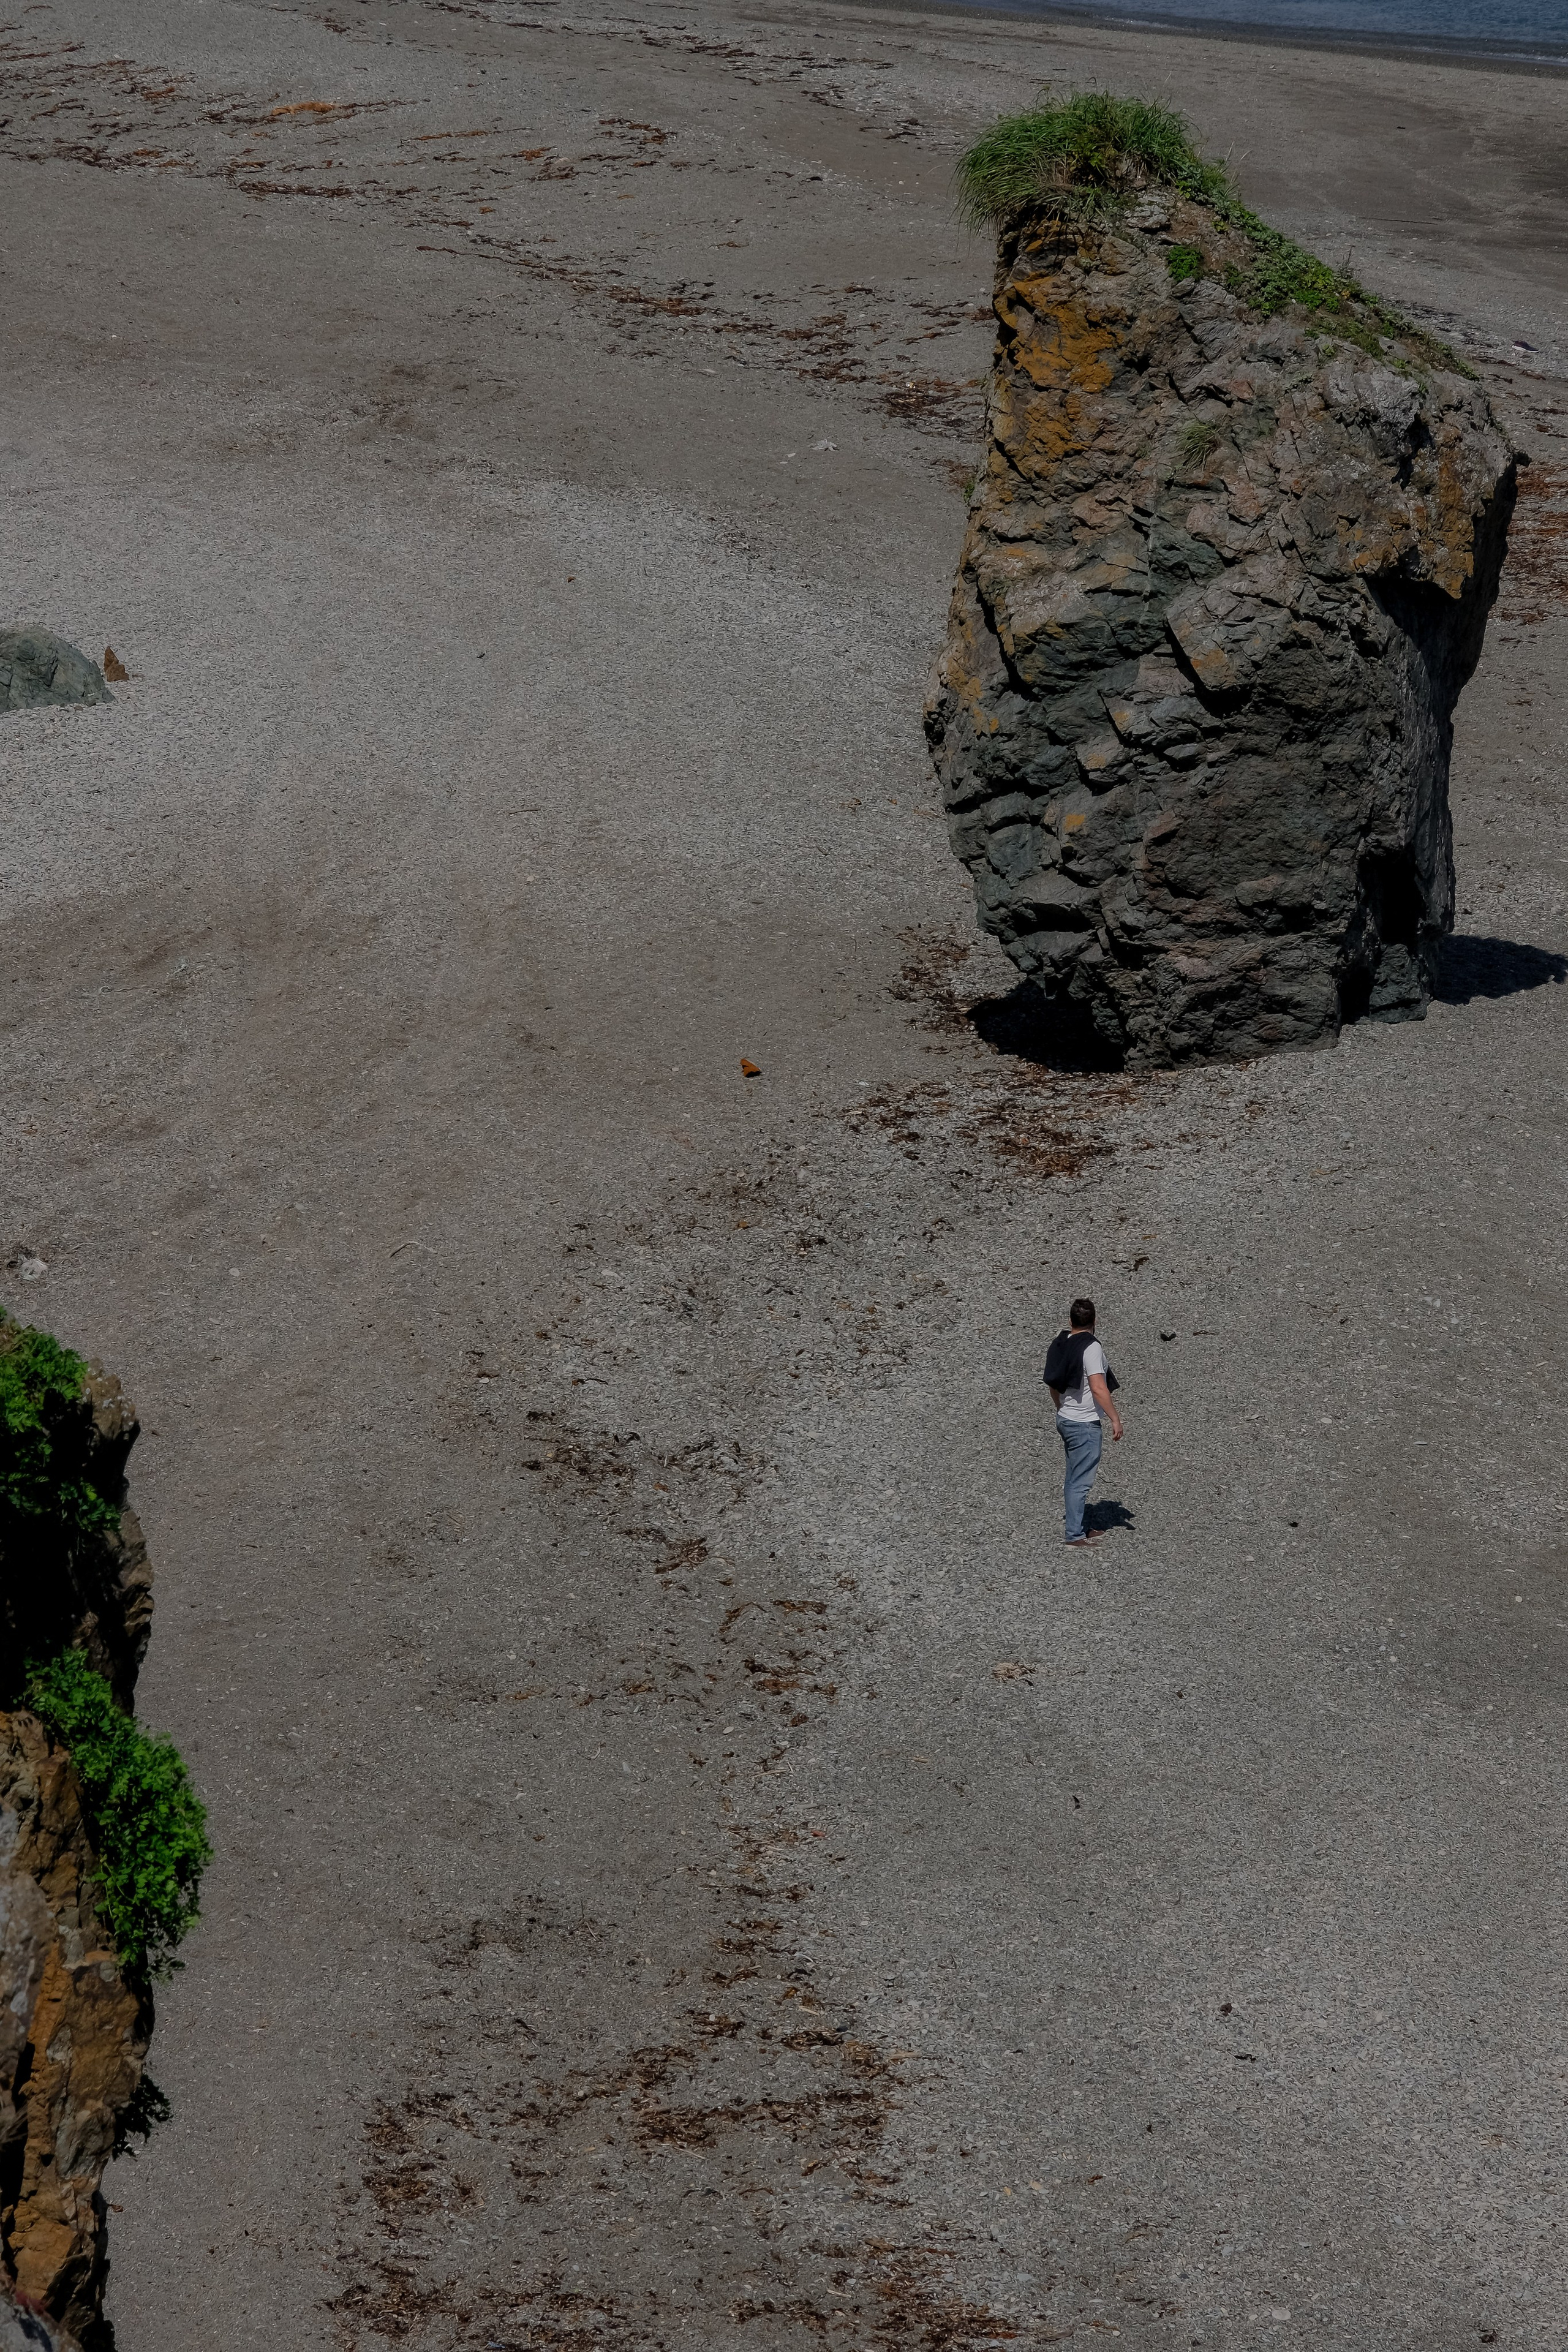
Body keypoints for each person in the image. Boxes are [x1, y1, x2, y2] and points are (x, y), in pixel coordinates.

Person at [1046, 1296, 1122, 1549]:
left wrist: (1060, 1408)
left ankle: (1076, 1525)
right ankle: (1074, 1535)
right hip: (1084, 1424)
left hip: (1066, 1419)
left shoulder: (1061, 1342)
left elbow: (1052, 1382)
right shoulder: (1092, 1348)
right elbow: (1099, 1388)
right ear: (1095, 1321)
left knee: (1073, 1476)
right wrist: (1115, 1419)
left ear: (1070, 1321)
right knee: (1080, 1481)